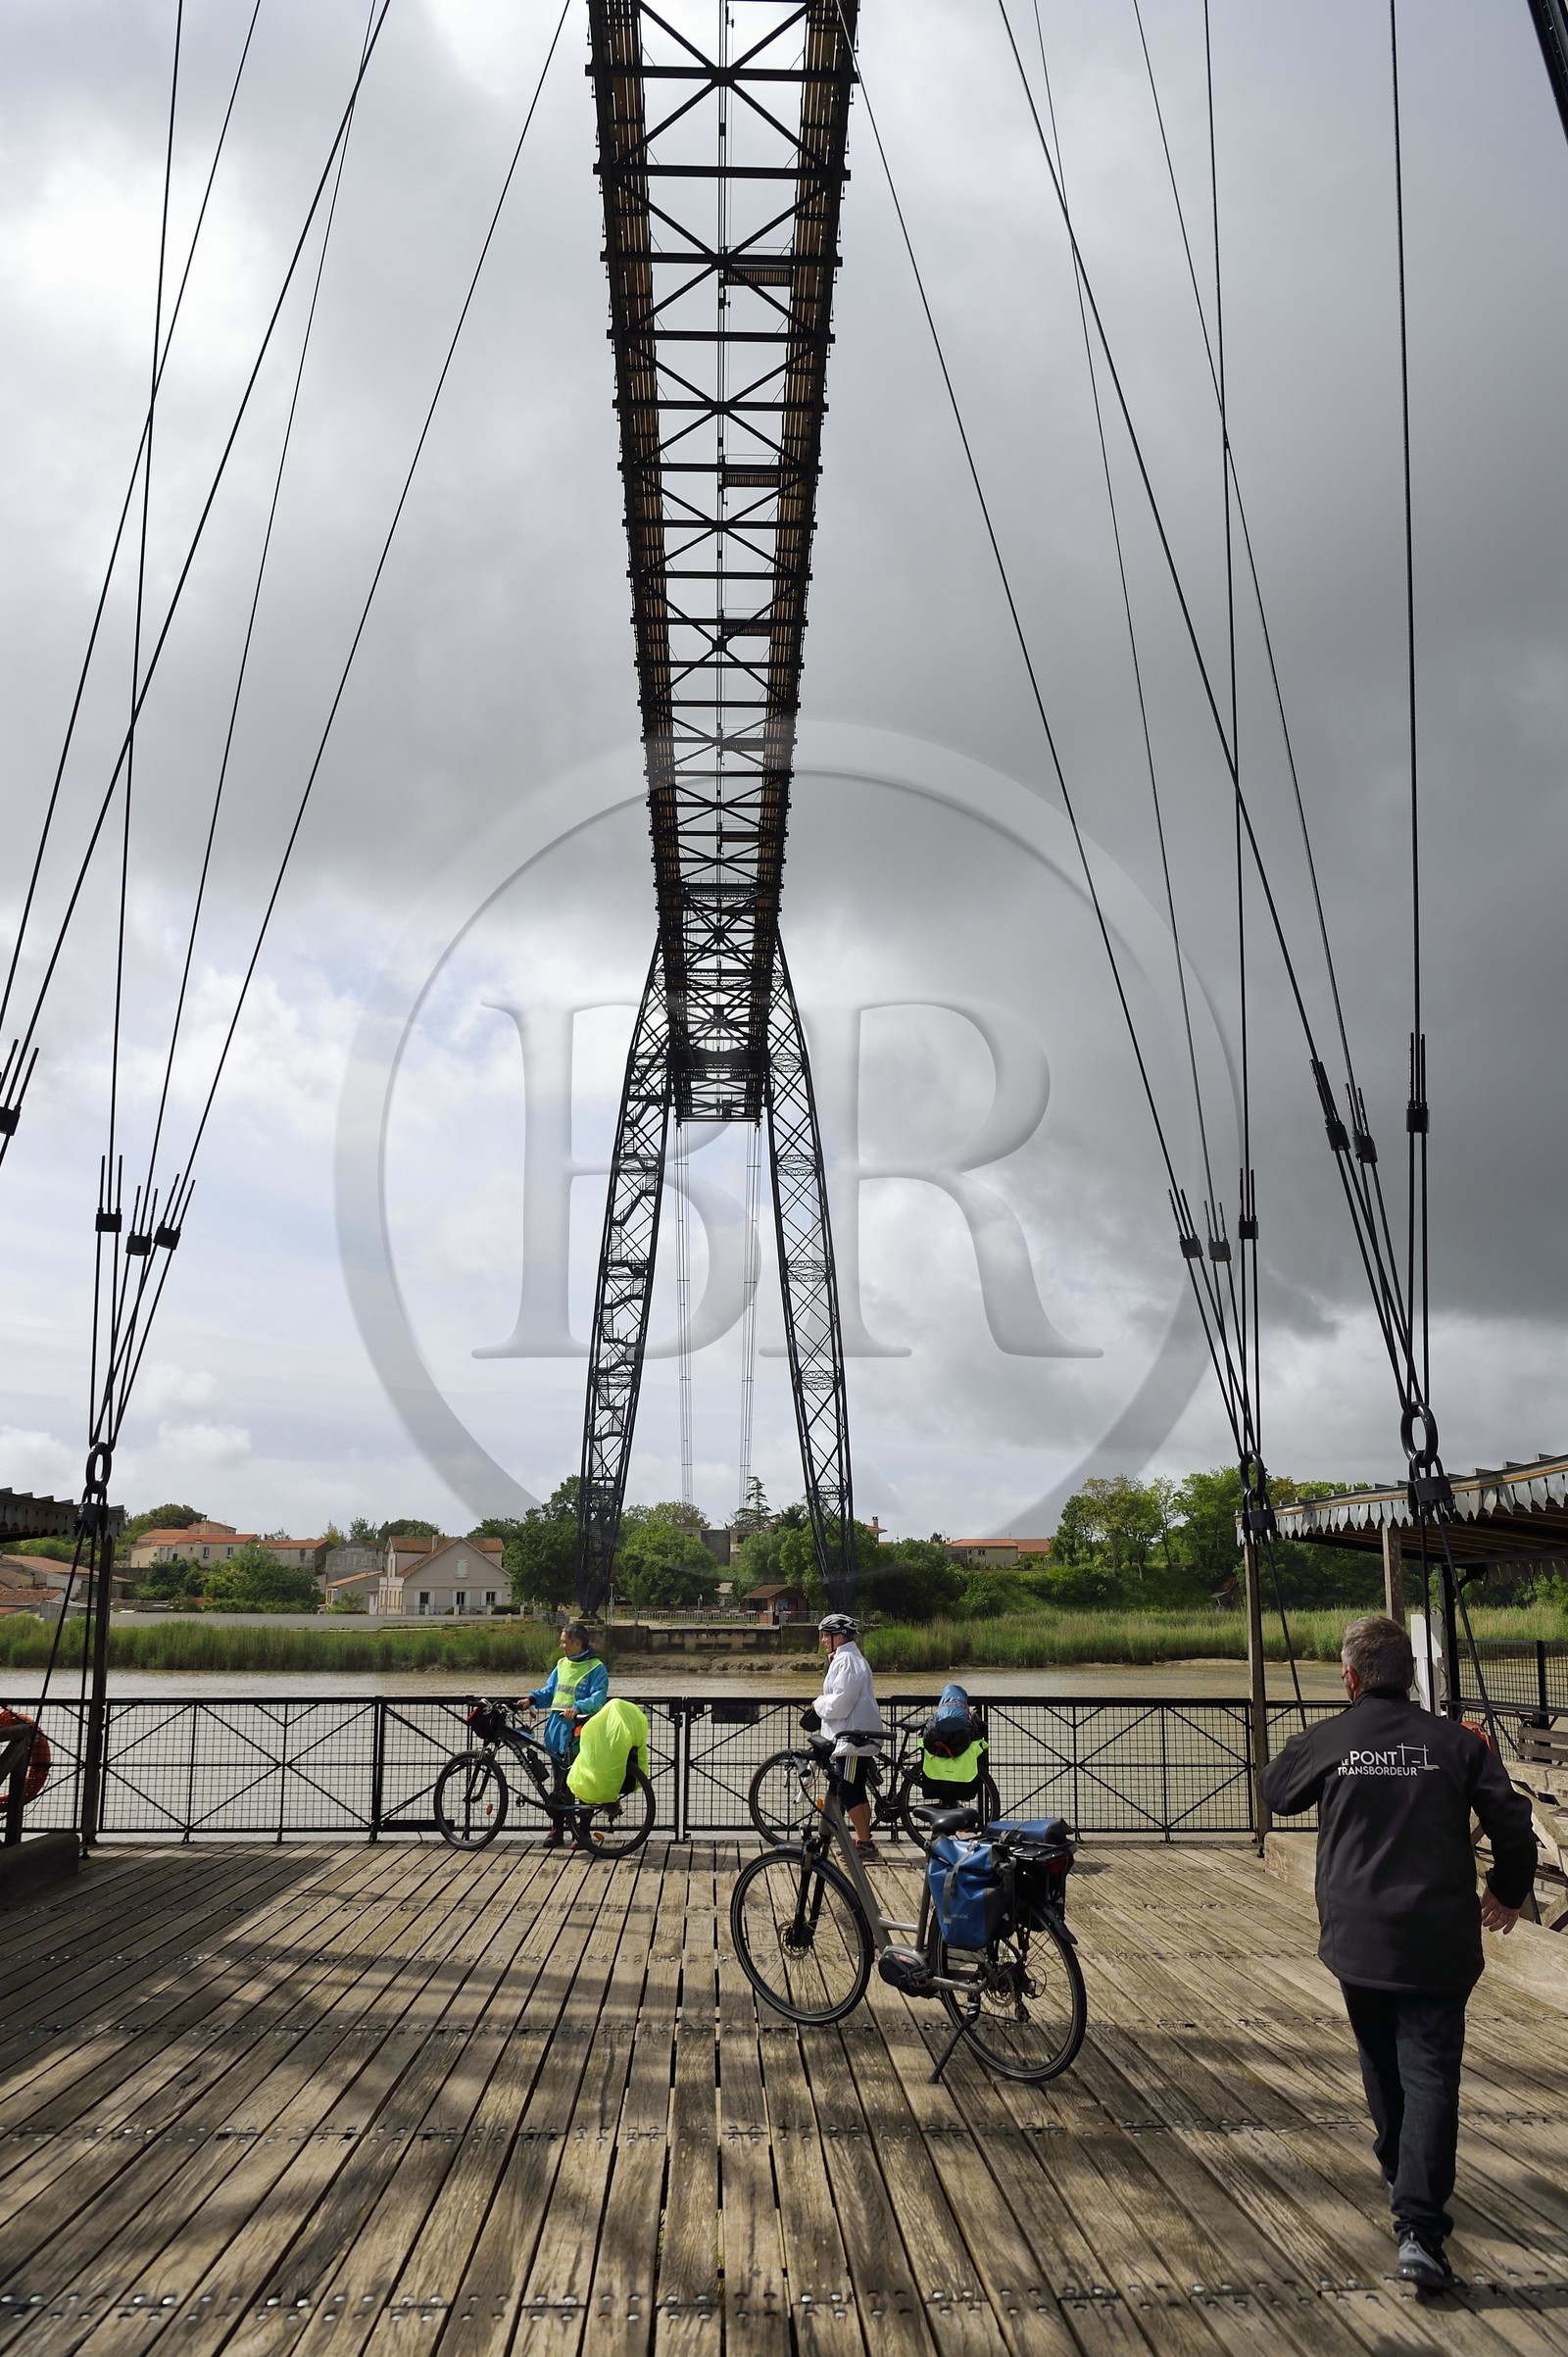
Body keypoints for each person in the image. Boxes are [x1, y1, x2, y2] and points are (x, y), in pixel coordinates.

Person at [1263, 1613, 1537, 2291]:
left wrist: (1318, 1745)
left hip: (1357, 1938)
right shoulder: (1458, 1743)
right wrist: (1507, 1889)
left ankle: (1400, 2175)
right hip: (1439, 1939)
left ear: (1351, 1678)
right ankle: (1418, 2224)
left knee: (1382, 2060)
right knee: (1430, 2072)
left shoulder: (1333, 1737)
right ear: (1410, 1675)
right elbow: (1513, 1821)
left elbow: (1275, 1792)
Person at [523, 1621, 609, 1850]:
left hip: (581, 1733)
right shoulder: (561, 1665)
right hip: (556, 1732)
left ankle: (583, 1833)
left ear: (577, 1643)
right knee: (558, 1785)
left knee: (583, 1784)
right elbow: (550, 1692)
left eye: (564, 1641)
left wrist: (579, 1707)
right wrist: (531, 1699)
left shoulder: (596, 1668)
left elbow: (599, 1698)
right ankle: (557, 1831)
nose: (561, 1645)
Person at [806, 1611, 884, 1857]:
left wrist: (817, 1704)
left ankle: (865, 1843)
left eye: (825, 1635)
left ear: (838, 1636)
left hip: (853, 1739)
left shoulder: (847, 1661)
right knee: (854, 1789)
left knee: (849, 1791)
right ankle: (864, 1839)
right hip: (852, 1737)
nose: (822, 1641)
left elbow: (842, 1702)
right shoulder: (846, 1658)